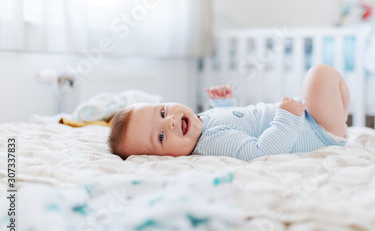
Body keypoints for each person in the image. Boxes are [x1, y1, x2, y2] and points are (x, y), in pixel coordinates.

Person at [108, 64, 350, 161]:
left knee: (329, 78)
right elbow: (262, 152)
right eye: (160, 137)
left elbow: (238, 125)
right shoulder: (212, 143)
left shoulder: (200, 124)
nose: (170, 121)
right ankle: (338, 128)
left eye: (162, 112)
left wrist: (225, 105)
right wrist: (287, 117)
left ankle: (341, 122)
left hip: (309, 119)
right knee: (320, 75)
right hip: (316, 130)